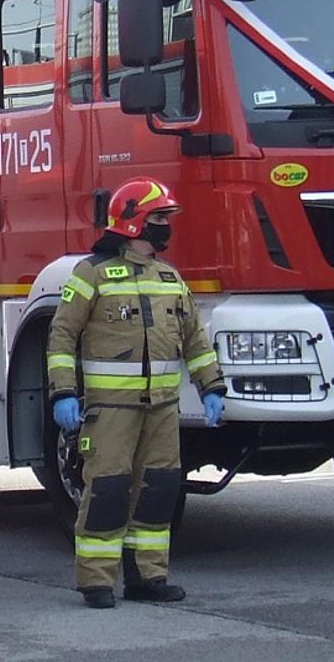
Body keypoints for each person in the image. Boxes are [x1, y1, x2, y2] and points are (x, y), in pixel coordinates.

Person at [46, 177, 225, 609]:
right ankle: (96, 581)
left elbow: (195, 340)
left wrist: (211, 387)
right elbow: (62, 336)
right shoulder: (92, 274)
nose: (166, 226)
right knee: (106, 489)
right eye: (159, 217)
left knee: (160, 489)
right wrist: (63, 394)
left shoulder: (169, 277)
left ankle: (149, 577)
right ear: (133, 222)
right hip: (110, 409)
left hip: (161, 408)